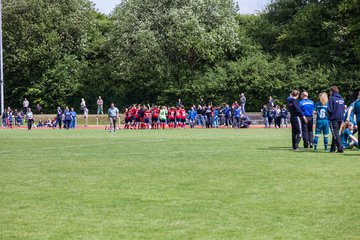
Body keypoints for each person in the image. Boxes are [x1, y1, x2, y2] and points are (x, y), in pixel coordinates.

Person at [327, 86, 345, 153]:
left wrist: (329, 116)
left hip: (333, 118)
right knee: (335, 133)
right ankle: (332, 149)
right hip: (340, 118)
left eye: (330, 91)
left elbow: (329, 109)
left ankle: (340, 148)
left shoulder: (332, 99)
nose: (329, 93)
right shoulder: (342, 99)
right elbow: (343, 109)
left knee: (335, 133)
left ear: (332, 91)